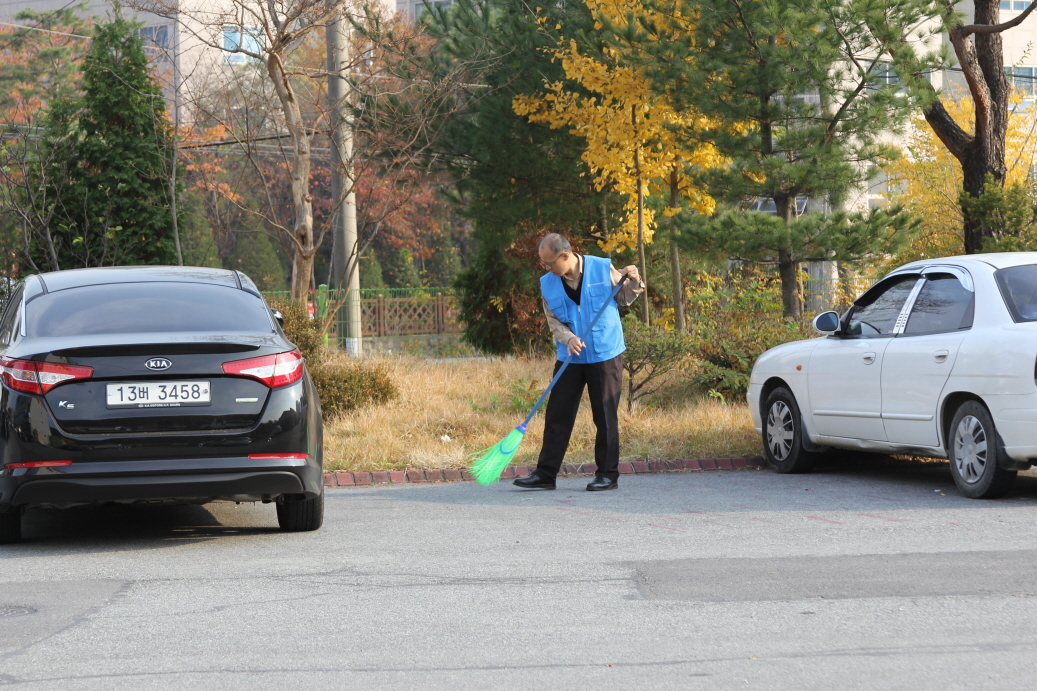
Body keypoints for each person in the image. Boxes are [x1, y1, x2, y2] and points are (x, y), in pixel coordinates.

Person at [513, 233, 644, 491]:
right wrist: (568, 337)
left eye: (549, 263)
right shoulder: (548, 283)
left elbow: (625, 297)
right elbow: (553, 321)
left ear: (565, 255)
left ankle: (607, 475)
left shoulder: (601, 268)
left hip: (604, 353)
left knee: (605, 416)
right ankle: (545, 475)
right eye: (543, 264)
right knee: (557, 416)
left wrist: (636, 279)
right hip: (569, 356)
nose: (547, 269)